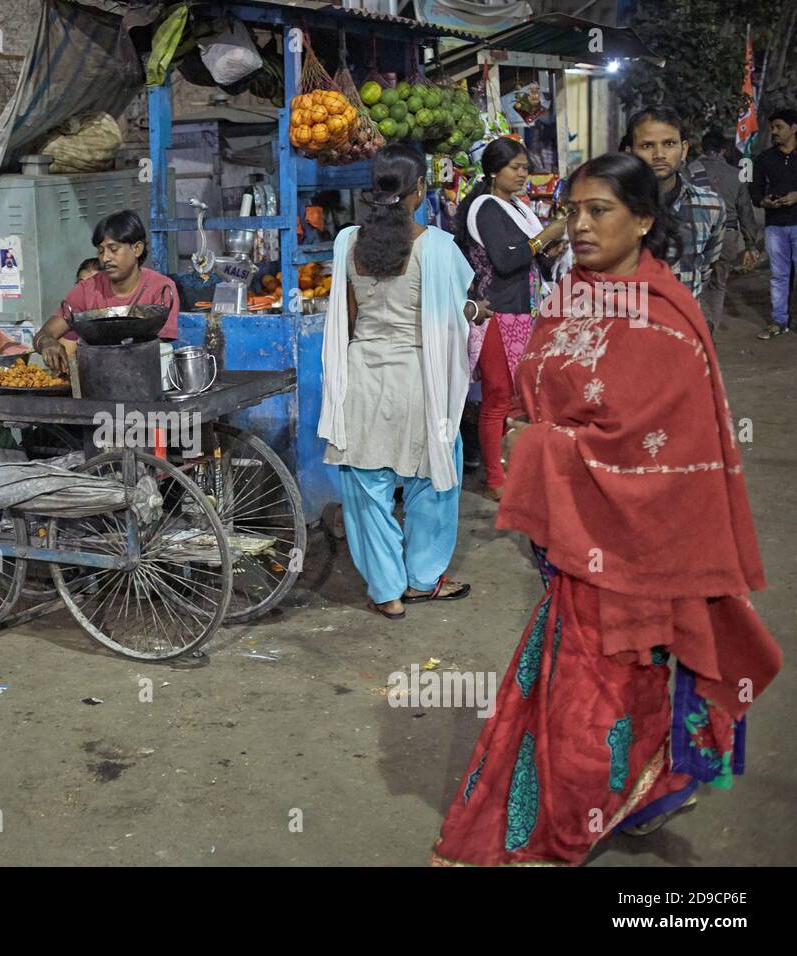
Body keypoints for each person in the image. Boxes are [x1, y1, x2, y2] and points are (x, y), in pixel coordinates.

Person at [433, 154, 781, 866]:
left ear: (644, 220)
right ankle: (636, 794)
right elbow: (534, 384)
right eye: (572, 210)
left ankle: (608, 805)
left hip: (646, 539)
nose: (580, 225)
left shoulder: (666, 320)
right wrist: (540, 440)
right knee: (596, 685)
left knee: (613, 687)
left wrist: (536, 449)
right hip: (570, 532)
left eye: (600, 211)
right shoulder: (567, 294)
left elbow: (658, 447)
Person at [320, 144, 486, 620]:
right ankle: (423, 579)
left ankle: (387, 591)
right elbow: (455, 315)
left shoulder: (346, 242)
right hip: (420, 382)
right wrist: (477, 312)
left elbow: (349, 319)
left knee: (366, 490)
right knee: (434, 479)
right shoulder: (436, 246)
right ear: (419, 191)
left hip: (363, 377)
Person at [454, 137, 567, 501]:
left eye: (525, 168)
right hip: (497, 313)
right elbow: (506, 260)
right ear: (493, 170)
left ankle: (514, 465)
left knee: (519, 397)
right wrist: (543, 238)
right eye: (516, 168)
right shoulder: (486, 207)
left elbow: (531, 260)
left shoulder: (517, 207)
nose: (523, 175)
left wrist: (551, 248)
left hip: (523, 310)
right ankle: (495, 477)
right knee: (499, 396)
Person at [33, 210, 178, 375]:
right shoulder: (87, 289)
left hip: (144, 378)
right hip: (94, 380)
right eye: (101, 251)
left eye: (113, 249)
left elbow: (162, 347)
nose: (105, 258)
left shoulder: (161, 288)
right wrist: (47, 342)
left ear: (137, 249)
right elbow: (43, 334)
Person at [626, 106, 725, 307]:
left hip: (684, 325)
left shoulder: (710, 206)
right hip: (629, 326)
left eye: (669, 143)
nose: (659, 154)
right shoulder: (616, 208)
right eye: (647, 146)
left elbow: (704, 268)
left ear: (684, 149)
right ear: (630, 152)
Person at [697, 130, 762, 332]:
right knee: (718, 284)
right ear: (723, 150)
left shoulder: (688, 171)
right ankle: (711, 327)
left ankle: (697, 325)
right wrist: (751, 244)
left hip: (697, 234)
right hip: (727, 235)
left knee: (694, 283)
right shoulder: (735, 175)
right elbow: (746, 213)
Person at [748, 107, 797, 340]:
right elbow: (754, 191)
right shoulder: (765, 159)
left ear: (794, 128)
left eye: (779, 127)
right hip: (775, 226)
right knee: (779, 276)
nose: (774, 132)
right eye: (773, 127)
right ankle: (779, 321)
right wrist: (764, 200)